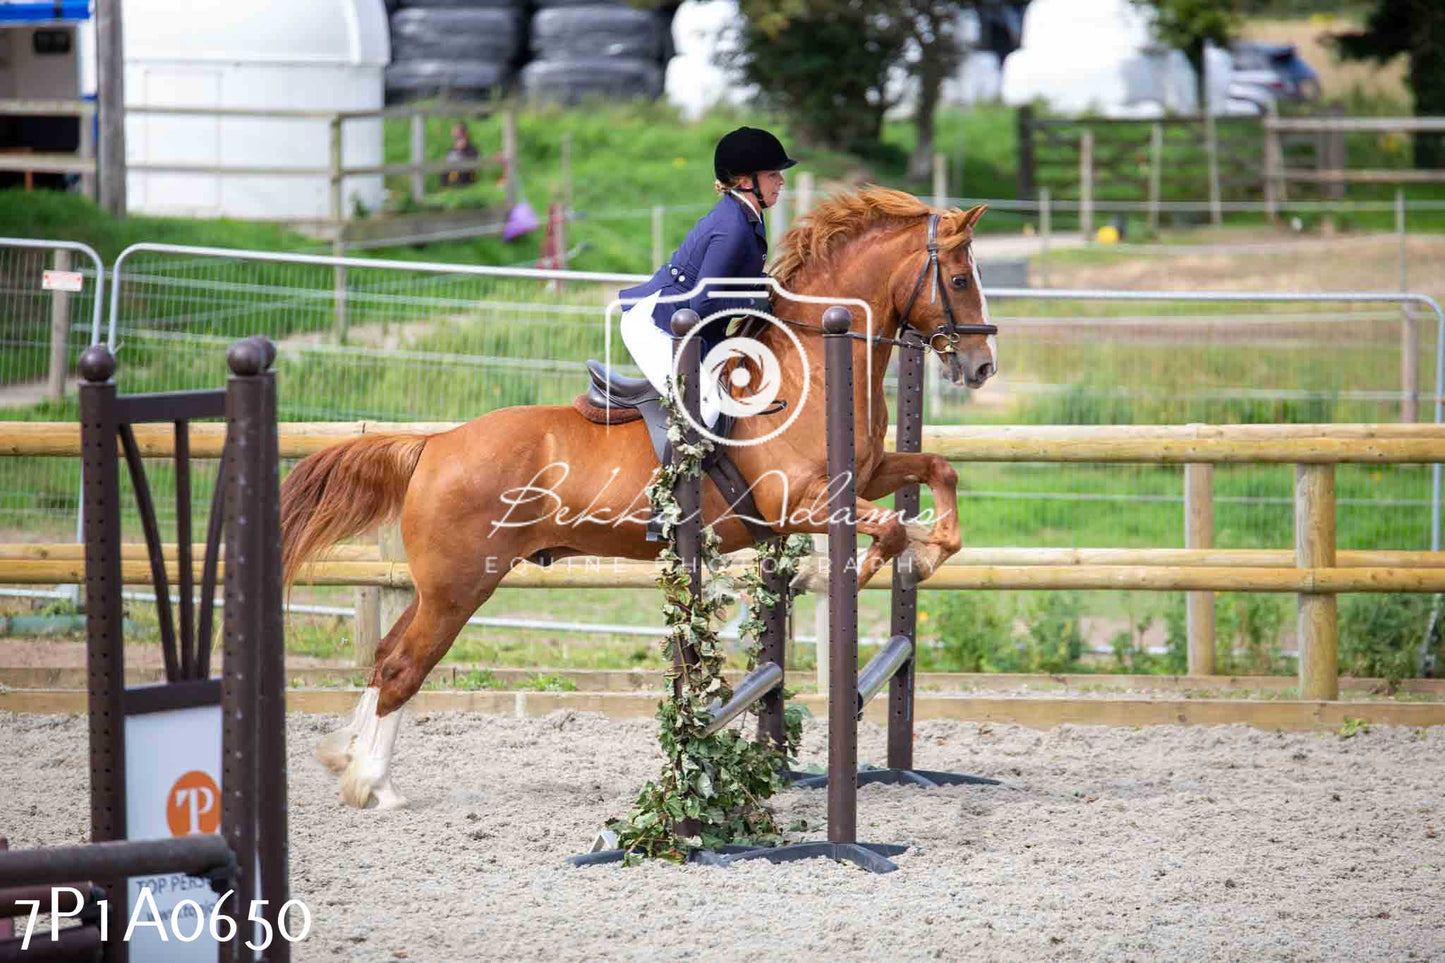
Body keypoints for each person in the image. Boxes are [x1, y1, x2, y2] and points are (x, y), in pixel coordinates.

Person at [618, 126, 797, 428]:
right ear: (745, 181)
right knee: (707, 409)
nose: (781, 181)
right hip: (657, 326)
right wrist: (752, 302)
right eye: (772, 174)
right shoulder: (732, 227)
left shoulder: (749, 215)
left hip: (695, 329)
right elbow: (702, 302)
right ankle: (671, 476)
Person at [442, 123, 480, 188]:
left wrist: (461, 151)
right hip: (450, 184)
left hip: (465, 183)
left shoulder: (472, 149)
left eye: (458, 137)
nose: (456, 140)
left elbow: (472, 166)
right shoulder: (450, 150)